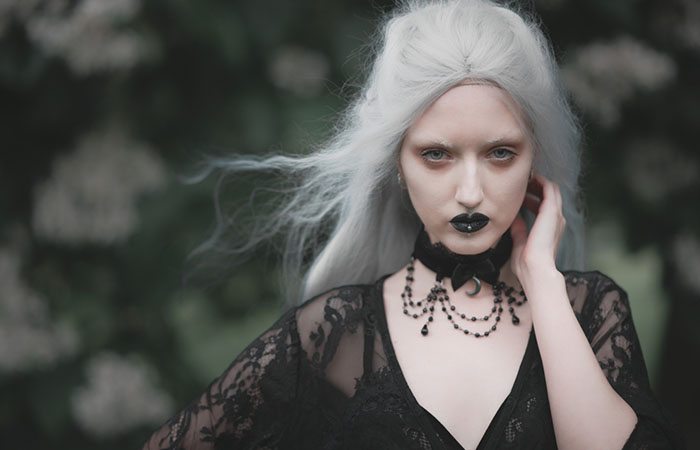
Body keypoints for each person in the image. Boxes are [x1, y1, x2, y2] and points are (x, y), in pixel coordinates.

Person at [142, 0, 680, 448]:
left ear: (533, 158)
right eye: (436, 155)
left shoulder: (590, 312)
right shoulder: (336, 333)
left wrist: (542, 277)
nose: (470, 191)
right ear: (397, 164)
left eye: (499, 153)